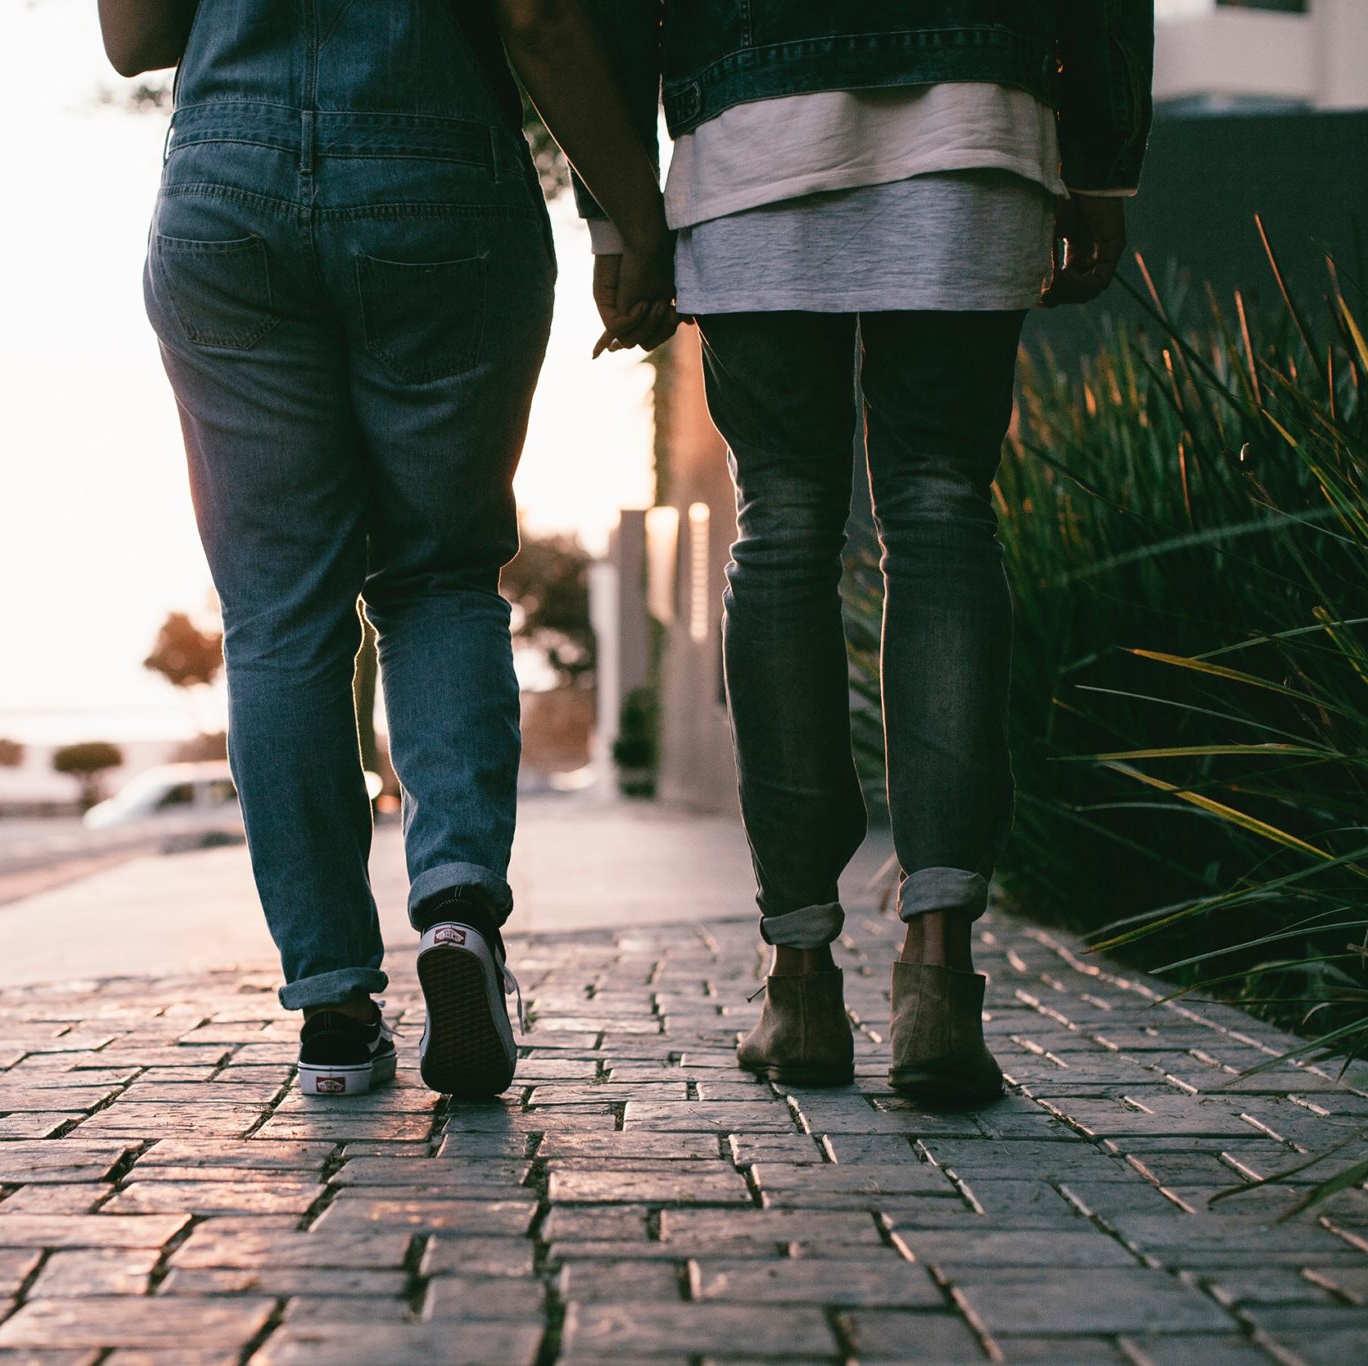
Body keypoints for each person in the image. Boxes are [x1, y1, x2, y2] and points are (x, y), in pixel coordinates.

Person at [98, 0, 676, 1099]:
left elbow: (131, 39)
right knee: (439, 577)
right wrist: (630, 214)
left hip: (227, 186)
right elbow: (538, 13)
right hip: (435, 173)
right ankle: (457, 913)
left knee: (276, 620)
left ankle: (330, 1006)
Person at [581, 2, 1153, 1105]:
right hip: (972, 116)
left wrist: (620, 219)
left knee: (781, 527)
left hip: (750, 138)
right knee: (942, 515)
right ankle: (938, 977)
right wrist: (1099, 160)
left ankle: (797, 985)